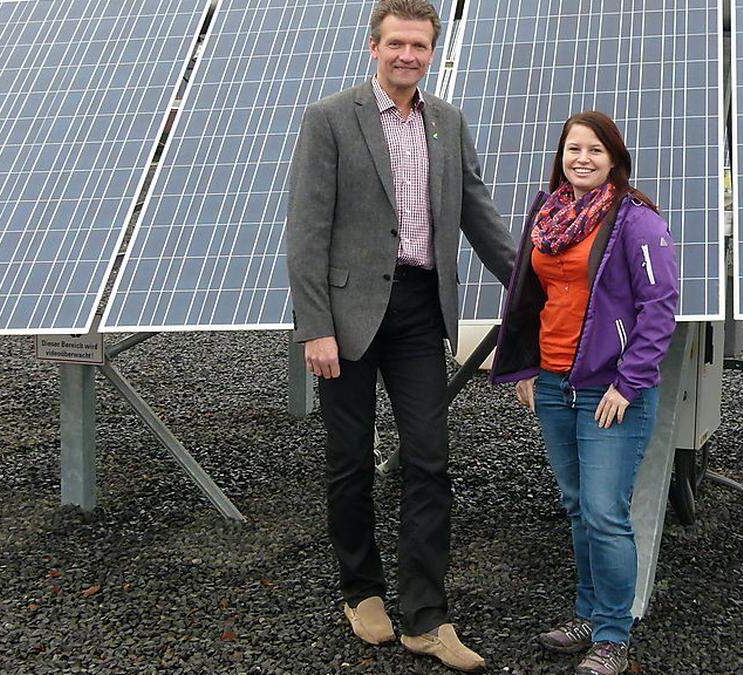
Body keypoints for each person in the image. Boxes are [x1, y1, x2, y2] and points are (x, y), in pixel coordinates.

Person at [284, 0, 515, 671]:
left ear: (432, 51)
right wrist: (315, 326)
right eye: (397, 44)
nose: (408, 55)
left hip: (419, 310)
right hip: (350, 317)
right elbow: (306, 231)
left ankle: (425, 615)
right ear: (373, 46)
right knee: (351, 460)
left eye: (419, 45)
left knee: (429, 458)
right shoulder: (330, 119)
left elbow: (479, 213)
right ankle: (361, 591)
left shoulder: (446, 122)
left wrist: (534, 285)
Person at [489, 111, 679, 675]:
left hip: (609, 391)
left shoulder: (636, 221)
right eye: (574, 149)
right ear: (561, 156)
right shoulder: (546, 215)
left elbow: (660, 306)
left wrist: (630, 380)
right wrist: (523, 367)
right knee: (577, 507)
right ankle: (588, 615)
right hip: (552, 382)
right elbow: (525, 295)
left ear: (614, 159)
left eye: (596, 151)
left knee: (605, 510)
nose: (583, 159)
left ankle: (614, 635)